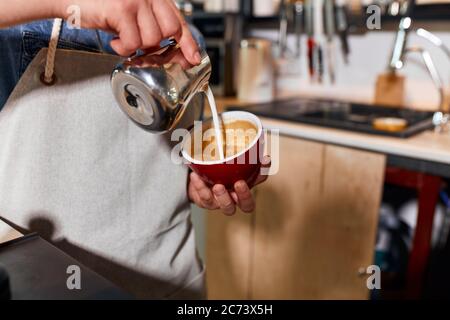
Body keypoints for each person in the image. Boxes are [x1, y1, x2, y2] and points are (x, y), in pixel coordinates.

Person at [0, 0, 269, 299]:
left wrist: (200, 181)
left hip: (168, 281)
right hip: (44, 284)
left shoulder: (180, 34)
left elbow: (174, 158)